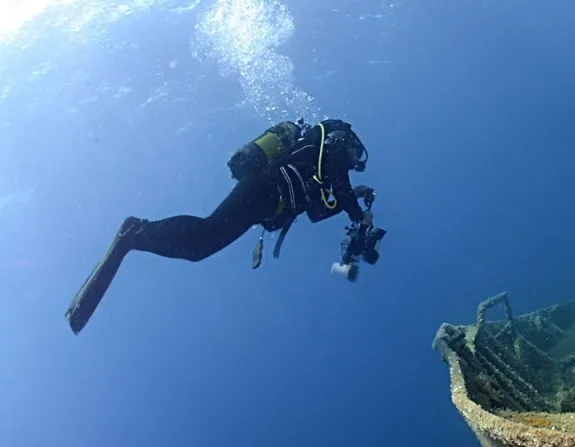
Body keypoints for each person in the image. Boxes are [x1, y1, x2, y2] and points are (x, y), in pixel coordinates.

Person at [66, 118, 380, 334]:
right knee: (205, 237)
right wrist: (356, 211)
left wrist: (349, 202)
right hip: (265, 189)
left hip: (268, 200)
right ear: (347, 141)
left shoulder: (320, 164)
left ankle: (135, 235)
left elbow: (315, 212)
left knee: (201, 245)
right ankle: (134, 232)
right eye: (356, 155)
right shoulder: (333, 146)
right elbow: (340, 186)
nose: (355, 162)